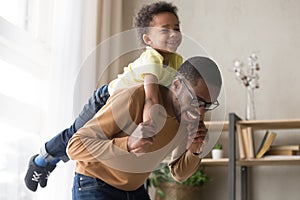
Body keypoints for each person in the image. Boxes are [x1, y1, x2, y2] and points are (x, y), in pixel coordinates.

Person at [24, 1, 183, 192]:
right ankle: (41, 160)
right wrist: (150, 125)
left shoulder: (175, 61)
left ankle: (51, 161)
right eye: (165, 30)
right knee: (75, 135)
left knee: (92, 142)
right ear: (148, 39)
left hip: (122, 109)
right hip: (104, 100)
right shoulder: (151, 58)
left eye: (176, 28)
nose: (173, 33)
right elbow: (151, 98)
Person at [67, 56, 222, 200]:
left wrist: (194, 150)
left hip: (133, 190)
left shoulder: (187, 119)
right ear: (176, 84)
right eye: (197, 101)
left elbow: (179, 174)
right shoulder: (134, 98)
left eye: (208, 105)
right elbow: (74, 146)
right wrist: (127, 144)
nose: (201, 111)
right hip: (95, 184)